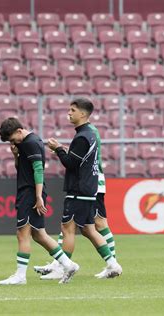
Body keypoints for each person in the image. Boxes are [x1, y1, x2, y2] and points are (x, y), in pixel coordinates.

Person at [34, 99, 118, 279]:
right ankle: (113, 264)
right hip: (88, 187)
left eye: (72, 110)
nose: (69, 113)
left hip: (79, 188)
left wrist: (58, 150)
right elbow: (81, 159)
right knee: (89, 229)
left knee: (67, 228)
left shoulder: (82, 136)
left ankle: (63, 267)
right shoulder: (89, 134)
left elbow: (71, 164)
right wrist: (63, 150)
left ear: (83, 114)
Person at [0, 118, 79, 285]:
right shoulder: (24, 144)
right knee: (39, 235)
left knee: (22, 233)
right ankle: (68, 264)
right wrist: (15, 156)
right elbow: (23, 169)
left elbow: (38, 170)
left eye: (13, 139)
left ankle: (20, 276)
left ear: (20, 131)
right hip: (29, 192)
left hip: (30, 193)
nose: (13, 143)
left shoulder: (32, 143)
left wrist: (38, 196)